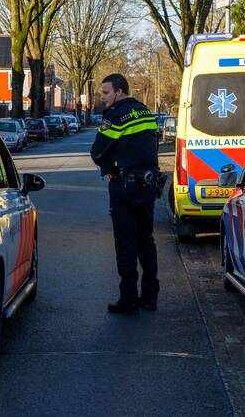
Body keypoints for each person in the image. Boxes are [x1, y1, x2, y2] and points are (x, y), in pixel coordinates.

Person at [90, 73, 162, 315]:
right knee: (146, 240)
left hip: (125, 188)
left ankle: (129, 299)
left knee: (126, 244)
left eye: (106, 92)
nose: (103, 96)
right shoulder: (146, 112)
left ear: (119, 92)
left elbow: (97, 153)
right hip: (148, 186)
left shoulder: (115, 116)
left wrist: (111, 165)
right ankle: (150, 296)